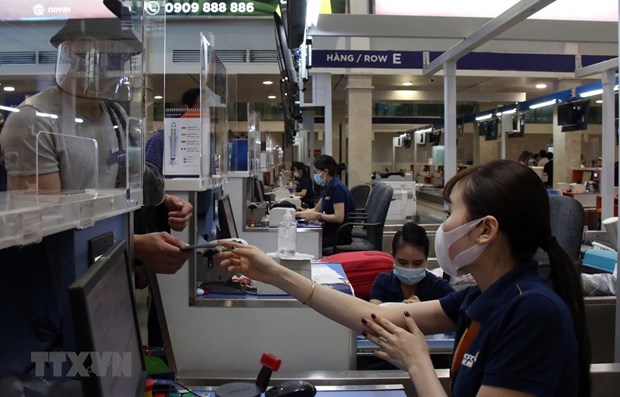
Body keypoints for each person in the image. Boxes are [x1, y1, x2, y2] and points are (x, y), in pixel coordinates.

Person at [217, 160, 591, 397]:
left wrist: (418, 363)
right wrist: (276, 273)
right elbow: (367, 315)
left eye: (450, 213)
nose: (443, 227)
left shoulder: (532, 313)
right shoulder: (481, 297)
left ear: (485, 230)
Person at [0, 17, 192, 275]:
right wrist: (133, 244)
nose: (110, 67)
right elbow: (41, 226)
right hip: (55, 281)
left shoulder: (117, 118)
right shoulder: (33, 121)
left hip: (103, 271)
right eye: (98, 54)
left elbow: (124, 188)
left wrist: (164, 202)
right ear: (69, 49)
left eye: (118, 59)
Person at [370, 222, 453, 305]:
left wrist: (423, 312)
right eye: (402, 263)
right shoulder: (383, 282)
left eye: (417, 263)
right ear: (393, 257)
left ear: (426, 258)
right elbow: (372, 313)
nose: (410, 268)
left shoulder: (440, 288)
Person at [295, 154, 355, 250]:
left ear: (325, 171)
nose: (315, 176)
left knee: (306, 244)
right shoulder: (329, 187)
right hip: (329, 230)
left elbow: (339, 217)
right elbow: (315, 210)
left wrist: (320, 216)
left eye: (316, 172)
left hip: (338, 235)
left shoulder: (337, 188)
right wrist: (295, 214)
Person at [145, 87, 200, 173]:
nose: (206, 116)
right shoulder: (159, 140)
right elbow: (149, 180)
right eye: (202, 109)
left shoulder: (203, 142)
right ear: (185, 109)